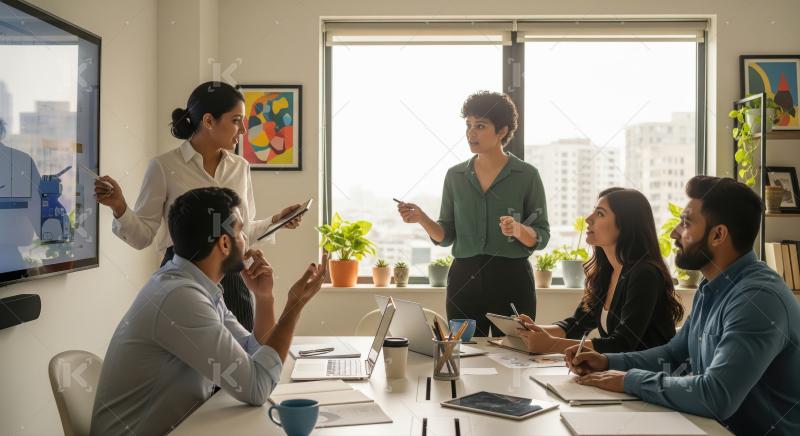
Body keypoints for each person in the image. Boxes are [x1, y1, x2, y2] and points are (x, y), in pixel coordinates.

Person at [565, 176, 800, 435]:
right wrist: (607, 362)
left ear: (718, 234)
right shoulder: (712, 286)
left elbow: (716, 396)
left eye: (686, 223)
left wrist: (629, 380)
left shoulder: (758, 299)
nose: (675, 232)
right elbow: (675, 354)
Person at [90, 187, 328, 435]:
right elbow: (257, 387)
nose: (245, 239)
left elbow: (251, 350)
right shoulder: (181, 298)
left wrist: (264, 297)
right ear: (224, 243)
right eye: (240, 232)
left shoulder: (195, 286)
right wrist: (294, 307)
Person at [95, 81, 303, 331]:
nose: (244, 131)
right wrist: (119, 206)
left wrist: (276, 221)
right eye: (236, 120)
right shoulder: (163, 167)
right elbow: (142, 238)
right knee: (188, 360)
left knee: (243, 358)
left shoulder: (241, 167)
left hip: (233, 278)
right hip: (182, 278)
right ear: (208, 120)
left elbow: (242, 233)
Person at [397, 91, 549, 336]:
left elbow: (542, 235)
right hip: (463, 279)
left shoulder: (527, 175)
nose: (471, 133)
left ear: (502, 131)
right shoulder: (455, 176)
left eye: (480, 126)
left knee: (516, 354)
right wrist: (422, 218)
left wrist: (518, 229)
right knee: (464, 357)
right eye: (468, 125)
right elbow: (446, 236)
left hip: (512, 279)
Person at [516, 188, 682, 354]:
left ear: (626, 224)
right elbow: (576, 325)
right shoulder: (606, 272)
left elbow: (622, 344)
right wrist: (532, 330)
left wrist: (551, 345)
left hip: (652, 375)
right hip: (620, 373)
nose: (588, 219)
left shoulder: (645, 274)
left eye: (600, 214)